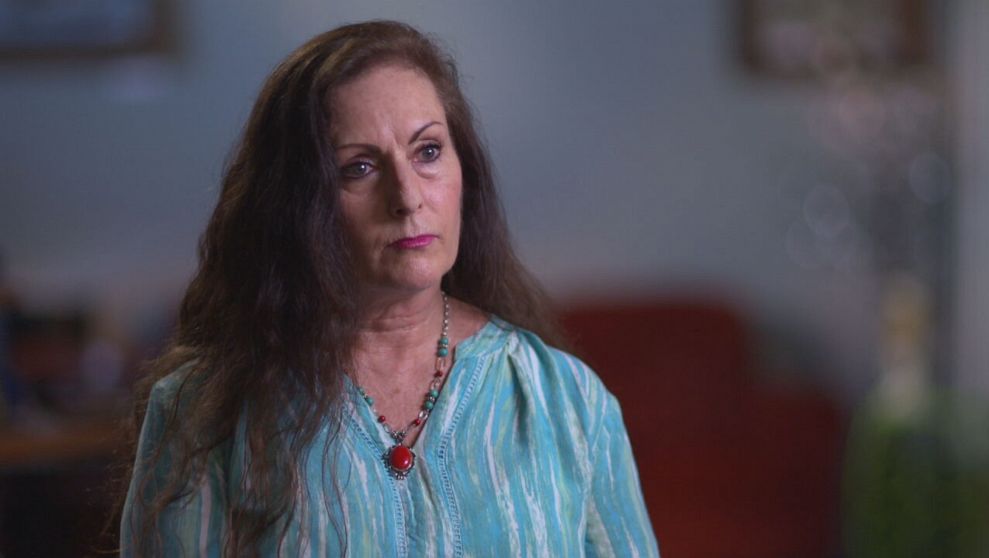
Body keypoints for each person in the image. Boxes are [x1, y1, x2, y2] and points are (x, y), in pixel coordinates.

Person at [120, 20, 659, 557]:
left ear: (463, 167)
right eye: (358, 167)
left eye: (427, 152)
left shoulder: (564, 399)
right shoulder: (204, 412)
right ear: (295, 202)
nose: (407, 197)